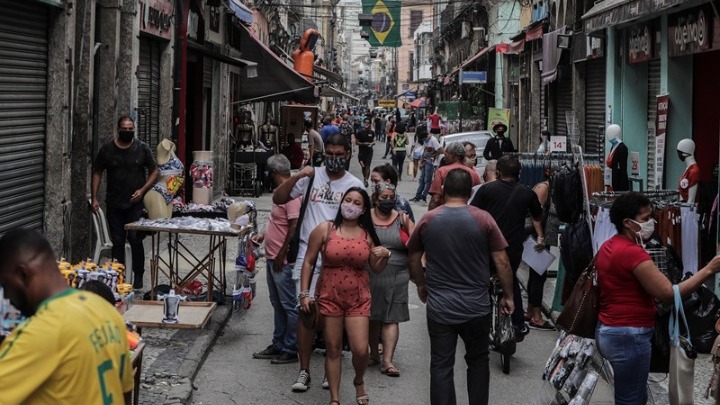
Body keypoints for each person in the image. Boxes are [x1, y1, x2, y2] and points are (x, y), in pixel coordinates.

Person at [595, 192, 720, 404]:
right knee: (631, 399)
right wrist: (708, 270)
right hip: (629, 335)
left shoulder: (609, 246)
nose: (651, 223)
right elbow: (668, 293)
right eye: (645, 219)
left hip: (610, 330)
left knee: (631, 394)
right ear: (627, 223)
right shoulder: (632, 253)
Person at [407, 169, 514, 405]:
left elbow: (413, 256)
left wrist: (421, 283)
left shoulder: (429, 219)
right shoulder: (484, 219)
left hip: (440, 307)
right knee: (478, 360)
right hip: (476, 307)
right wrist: (508, 295)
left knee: (441, 364)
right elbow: (502, 262)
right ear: (470, 192)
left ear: (444, 190)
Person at [272, 134, 364, 392]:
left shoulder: (354, 185)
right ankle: (304, 370)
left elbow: (361, 221)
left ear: (348, 154)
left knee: (332, 314)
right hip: (307, 254)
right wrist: (298, 175)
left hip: (339, 256)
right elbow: (279, 198)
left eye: (339, 155)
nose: (334, 159)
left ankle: (330, 367)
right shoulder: (312, 177)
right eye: (329, 154)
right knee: (305, 311)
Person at [0, 228, 134, 404]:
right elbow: (124, 391)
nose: (7, 297)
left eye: (5, 285)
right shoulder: (107, 311)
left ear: (22, 274)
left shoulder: (39, 332)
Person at [299, 188, 391, 405]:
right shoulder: (326, 229)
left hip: (358, 297)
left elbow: (376, 268)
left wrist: (385, 255)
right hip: (329, 295)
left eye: (357, 203)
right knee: (333, 349)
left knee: (360, 349)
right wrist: (304, 293)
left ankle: (359, 381)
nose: (350, 205)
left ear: (363, 209)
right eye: (347, 200)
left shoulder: (366, 234)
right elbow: (308, 261)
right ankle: (335, 398)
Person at [470, 155, 544, 342]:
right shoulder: (527, 193)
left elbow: (472, 214)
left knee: (483, 283)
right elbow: (537, 216)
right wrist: (541, 237)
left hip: (486, 246)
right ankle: (518, 324)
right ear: (519, 173)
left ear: (499, 172)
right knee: (510, 281)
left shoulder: (486, 190)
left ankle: (480, 322)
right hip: (512, 248)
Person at [91, 115, 158, 289]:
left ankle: (138, 275)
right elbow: (97, 172)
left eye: (131, 129)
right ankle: (118, 277)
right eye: (125, 129)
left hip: (135, 204)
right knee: (118, 242)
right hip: (114, 204)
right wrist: (95, 197)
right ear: (118, 129)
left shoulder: (142, 148)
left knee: (135, 239)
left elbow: (154, 171)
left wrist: (142, 190)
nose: (128, 132)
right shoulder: (107, 150)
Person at [252, 155, 301, 364]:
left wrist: (283, 253)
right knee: (278, 304)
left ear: (273, 173)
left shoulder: (291, 194)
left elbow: (294, 225)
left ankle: (290, 348)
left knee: (288, 305)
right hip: (273, 257)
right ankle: (278, 343)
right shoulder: (281, 192)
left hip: (282, 260)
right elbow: (276, 220)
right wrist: (263, 234)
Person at [368, 182, 415, 378]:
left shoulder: (402, 218)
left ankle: (387, 360)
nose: (388, 201)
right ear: (375, 199)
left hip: (398, 272)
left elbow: (416, 243)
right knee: (372, 316)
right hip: (371, 272)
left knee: (392, 316)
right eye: (384, 197)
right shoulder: (366, 218)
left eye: (391, 197)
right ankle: (373, 353)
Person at [525, 168, 559, 330]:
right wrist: (540, 236)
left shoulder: (550, 188)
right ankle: (537, 318)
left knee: (536, 275)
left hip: (542, 237)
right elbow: (535, 214)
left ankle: (530, 312)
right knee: (539, 276)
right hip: (537, 238)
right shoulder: (543, 188)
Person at [427, 142, 481, 210]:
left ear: (453, 155)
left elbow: (435, 199)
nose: (444, 158)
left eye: (446, 155)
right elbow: (478, 197)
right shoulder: (473, 174)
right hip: (467, 212)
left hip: (445, 212)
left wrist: (431, 214)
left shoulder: (441, 172)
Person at [410, 129, 441, 203]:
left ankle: (424, 195)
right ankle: (418, 196)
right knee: (421, 179)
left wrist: (433, 155)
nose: (424, 141)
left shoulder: (433, 140)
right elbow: (424, 151)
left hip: (430, 162)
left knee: (427, 180)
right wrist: (421, 161)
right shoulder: (426, 141)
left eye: (424, 139)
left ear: (426, 136)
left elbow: (440, 150)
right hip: (425, 161)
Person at [355, 118, 376, 187]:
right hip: (361, 152)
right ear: (363, 123)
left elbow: (374, 141)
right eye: (365, 122)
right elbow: (356, 142)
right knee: (363, 166)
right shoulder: (360, 132)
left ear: (370, 124)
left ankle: (366, 180)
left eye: (368, 123)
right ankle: (364, 177)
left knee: (367, 166)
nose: (367, 124)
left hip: (369, 151)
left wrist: (372, 144)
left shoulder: (372, 132)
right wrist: (364, 144)